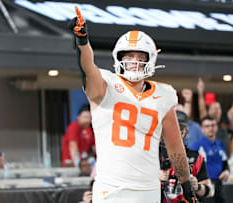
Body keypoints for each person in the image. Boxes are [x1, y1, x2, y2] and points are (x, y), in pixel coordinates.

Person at [69, 7, 197, 203]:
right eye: (128, 57)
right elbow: (87, 66)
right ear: (119, 58)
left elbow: (175, 146)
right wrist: (83, 42)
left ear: (150, 59)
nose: (134, 63)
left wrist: (187, 186)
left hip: (149, 189)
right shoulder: (105, 84)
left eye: (140, 57)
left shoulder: (163, 95)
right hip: (111, 189)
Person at [159, 111, 214, 203]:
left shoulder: (195, 157)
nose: (176, 134)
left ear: (186, 132)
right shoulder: (154, 155)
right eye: (172, 129)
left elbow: (211, 191)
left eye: (181, 130)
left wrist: (197, 186)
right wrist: (153, 178)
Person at [197, 77, 233, 156]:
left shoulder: (225, 119)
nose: (216, 110)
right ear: (209, 111)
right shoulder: (206, 120)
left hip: (225, 156)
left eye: (218, 108)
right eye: (214, 108)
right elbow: (202, 109)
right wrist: (200, 92)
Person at [191, 116, 230, 203]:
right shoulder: (197, 146)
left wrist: (226, 171)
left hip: (219, 184)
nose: (210, 128)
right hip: (206, 186)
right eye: (207, 126)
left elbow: (225, 162)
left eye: (213, 125)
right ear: (202, 129)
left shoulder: (219, 144)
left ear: (216, 127)